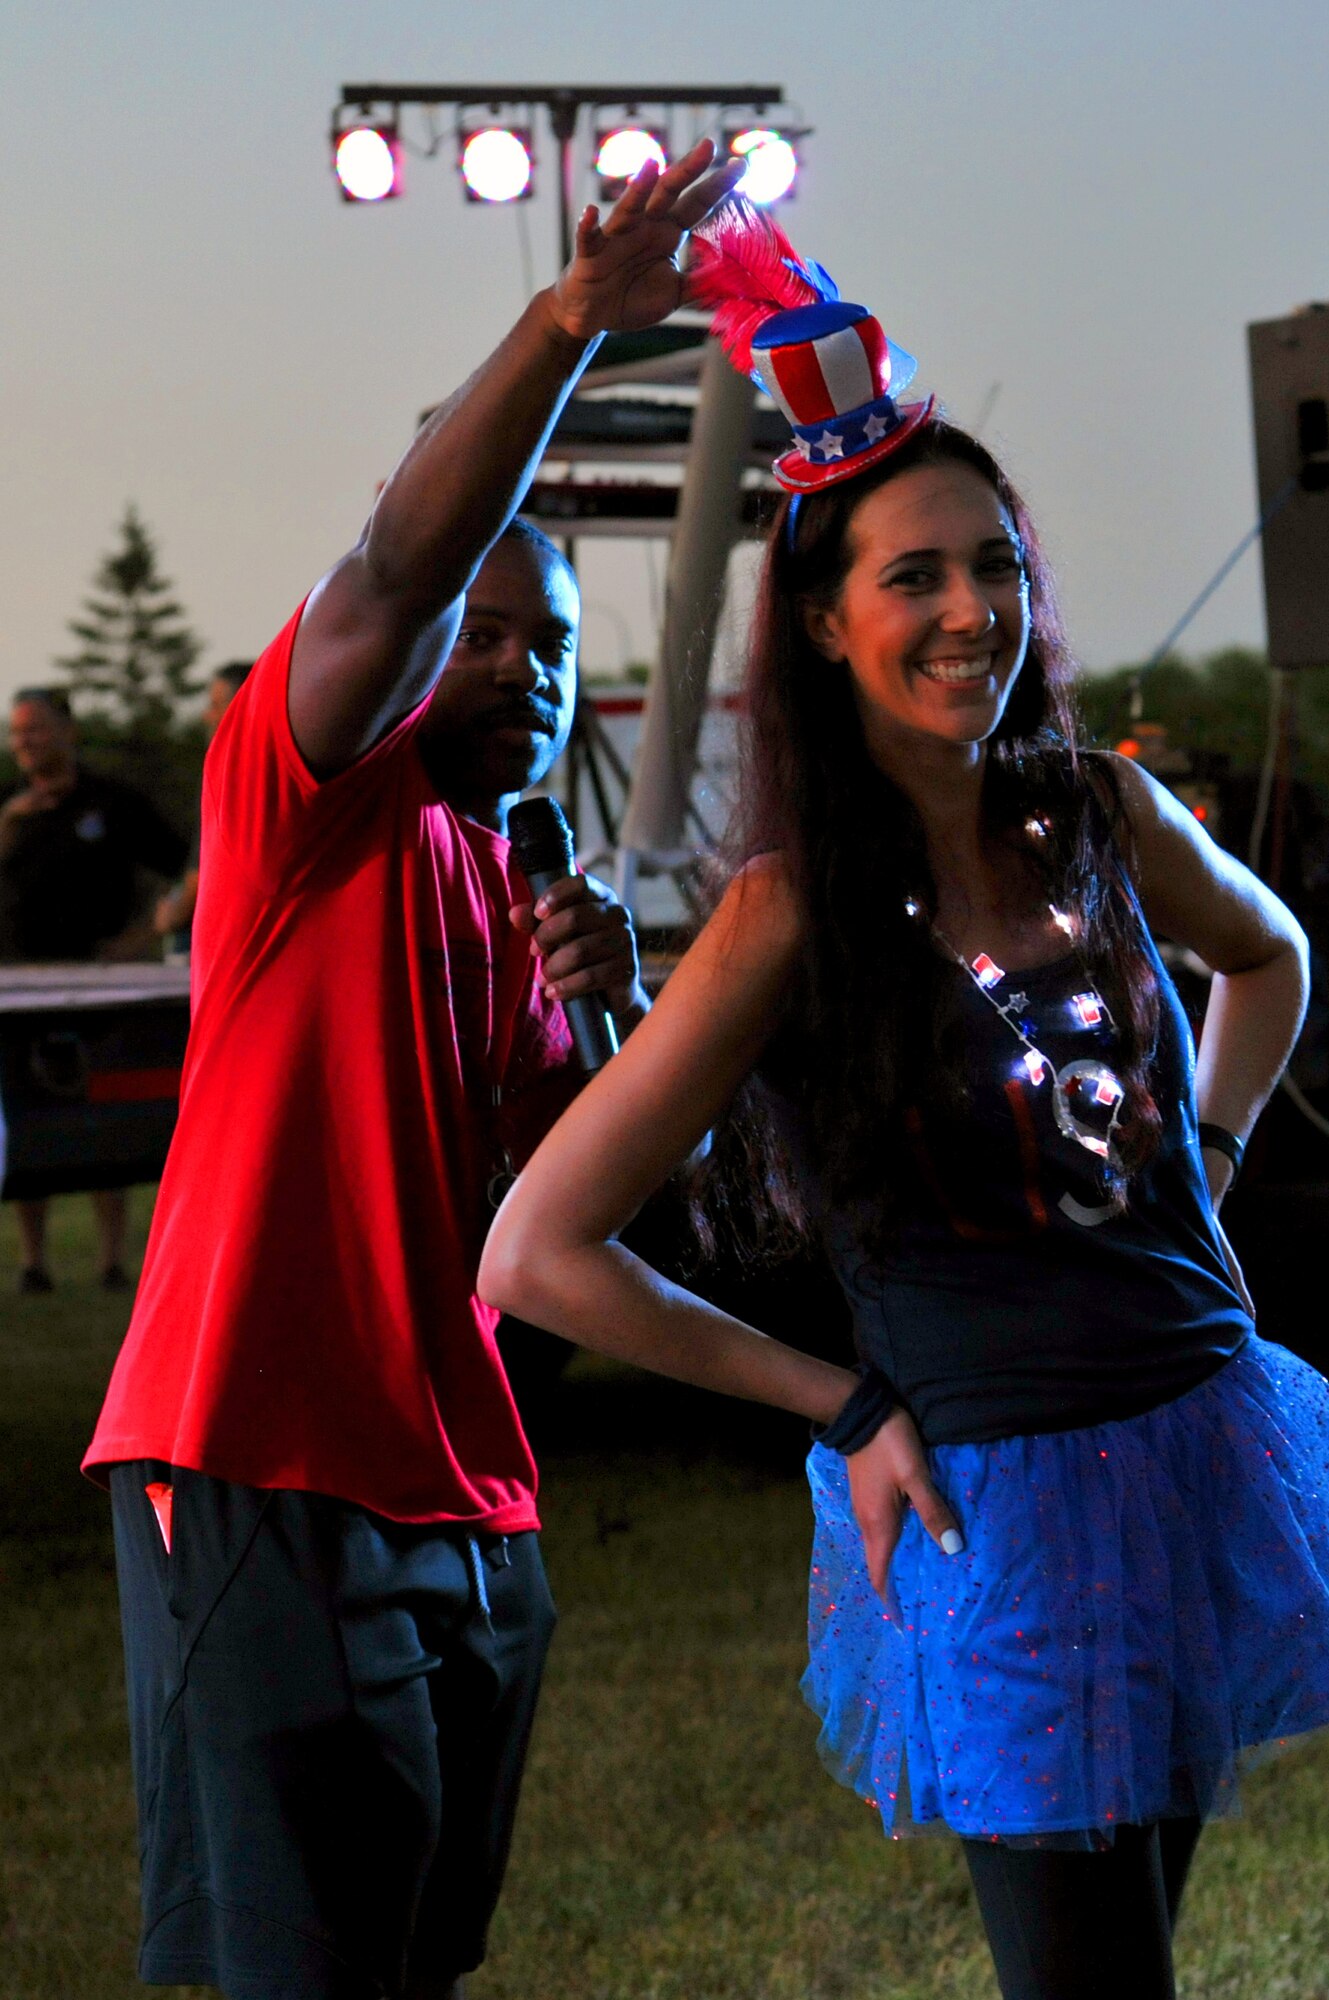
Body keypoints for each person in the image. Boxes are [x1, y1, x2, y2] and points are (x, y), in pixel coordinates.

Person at [479, 204, 1329, 2000]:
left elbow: (1272, 956)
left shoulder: (1095, 810)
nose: (969, 610)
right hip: (994, 1506)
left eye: (991, 565)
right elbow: (541, 1251)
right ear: (824, 628)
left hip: (1201, 1447)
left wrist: (1208, 1159)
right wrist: (835, 1404)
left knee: (1137, 1949)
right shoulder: (782, 916)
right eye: (910, 577)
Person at [82, 140, 743, 2000]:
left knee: (416, 1958)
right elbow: (397, 565)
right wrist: (564, 327)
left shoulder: (514, 901)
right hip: (257, 1461)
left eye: (562, 646)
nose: (533, 669)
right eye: (498, 629)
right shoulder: (300, 799)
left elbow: (594, 1227)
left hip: (472, 1500)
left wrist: (609, 1020)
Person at [2, 684, 187, 1289]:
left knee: (103, 1119)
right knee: (29, 1116)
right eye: (17, 731)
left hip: (102, 985)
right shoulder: (9, 809)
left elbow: (185, 866)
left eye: (36, 728)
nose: (25, 741)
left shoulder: (111, 802)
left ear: (67, 730)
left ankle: (113, 1260)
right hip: (21, 987)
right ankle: (34, 1261)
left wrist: (138, 941)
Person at [151, 661, 253, 952]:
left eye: (216, 704)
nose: (208, 716)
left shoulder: (230, 776)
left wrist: (170, 916)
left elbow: (203, 876)